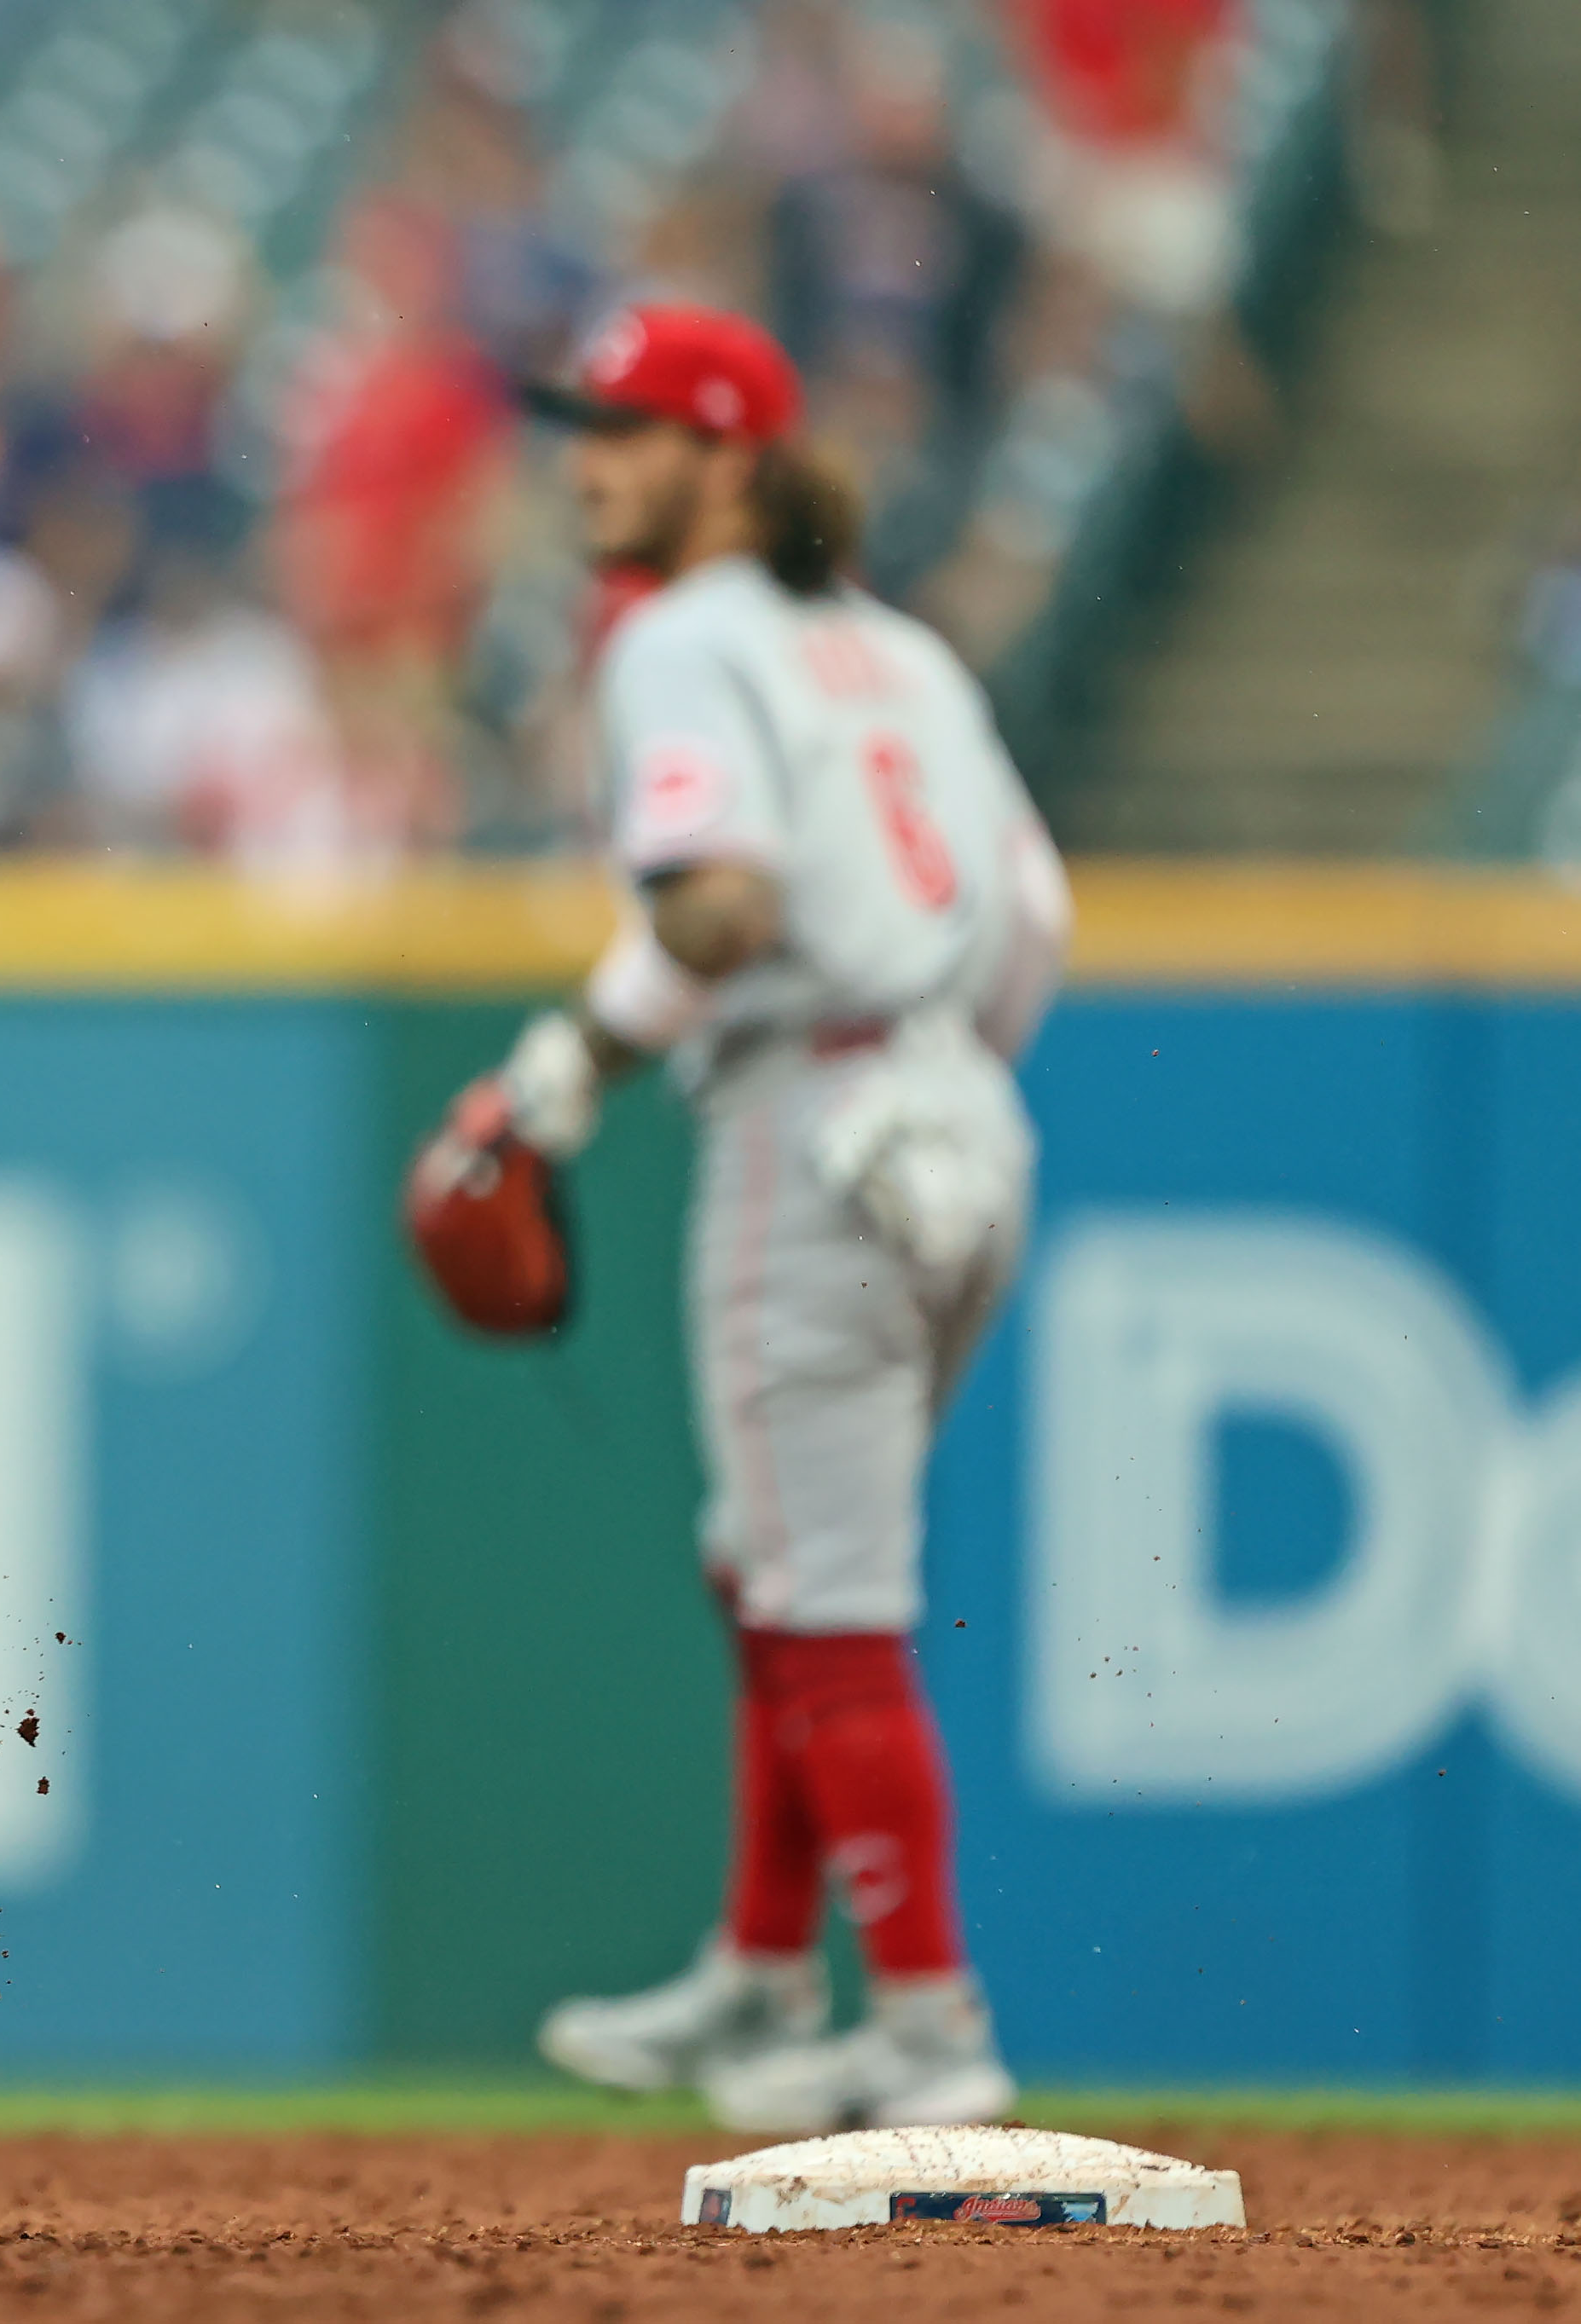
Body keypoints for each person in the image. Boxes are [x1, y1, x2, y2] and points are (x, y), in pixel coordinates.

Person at [435, 306, 1068, 2132]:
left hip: (812, 1124)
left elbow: (717, 906)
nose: (584, 462)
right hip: (957, 1113)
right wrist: (938, 1067)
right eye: (581, 425)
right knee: (776, 1566)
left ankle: (934, 2026)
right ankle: (764, 1970)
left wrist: (572, 1060)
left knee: (824, 1596)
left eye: (625, 430)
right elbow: (1033, 914)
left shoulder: (682, 639)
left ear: (728, 457)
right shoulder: (899, 652)